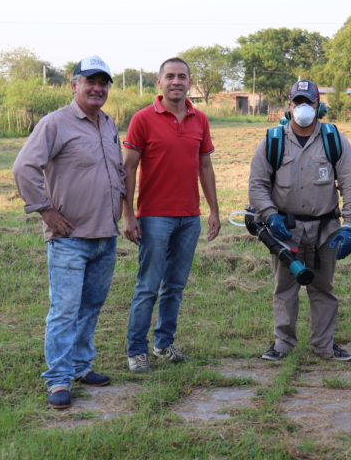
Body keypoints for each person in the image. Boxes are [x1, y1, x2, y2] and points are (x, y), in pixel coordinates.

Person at [13, 55, 124, 409]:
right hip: (69, 240)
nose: (97, 88)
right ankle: (58, 379)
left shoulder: (108, 124)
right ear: (73, 84)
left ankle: (80, 366)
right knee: (64, 309)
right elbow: (24, 167)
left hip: (104, 236)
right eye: (89, 81)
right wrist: (45, 210)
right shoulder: (55, 124)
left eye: (103, 82)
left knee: (91, 306)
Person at [249, 80, 351, 361]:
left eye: (308, 103)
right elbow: (257, 185)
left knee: (323, 288)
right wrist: (269, 214)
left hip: (326, 229)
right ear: (288, 106)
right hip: (285, 231)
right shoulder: (272, 141)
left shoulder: (334, 139)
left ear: (318, 106)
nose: (303, 108)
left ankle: (325, 345)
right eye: (297, 102)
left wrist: (349, 227)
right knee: (285, 289)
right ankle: (282, 344)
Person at [123, 58, 220, 373]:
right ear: (158, 82)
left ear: (189, 82)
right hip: (154, 217)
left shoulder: (200, 120)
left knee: (175, 286)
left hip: (189, 217)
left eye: (182, 77)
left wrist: (213, 211)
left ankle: (163, 345)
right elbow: (128, 169)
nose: (176, 81)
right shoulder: (142, 119)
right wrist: (129, 215)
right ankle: (136, 352)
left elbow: (205, 167)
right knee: (148, 286)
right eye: (170, 76)